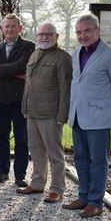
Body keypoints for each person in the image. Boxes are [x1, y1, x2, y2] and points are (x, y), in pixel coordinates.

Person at [62, 13, 111, 218]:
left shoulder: (110, 55)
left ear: (98, 31)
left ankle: (95, 202)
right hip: (78, 116)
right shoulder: (75, 54)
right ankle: (83, 197)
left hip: (99, 119)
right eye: (79, 32)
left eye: (87, 30)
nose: (83, 35)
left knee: (98, 161)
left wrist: (107, 109)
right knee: (80, 158)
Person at [18, 22, 72, 203]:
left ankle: (57, 189)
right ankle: (37, 183)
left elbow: (66, 88)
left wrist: (62, 115)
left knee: (54, 154)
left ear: (56, 37)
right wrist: (25, 108)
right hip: (32, 112)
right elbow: (29, 84)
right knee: (36, 151)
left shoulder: (62, 57)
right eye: (41, 34)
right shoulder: (35, 54)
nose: (44, 37)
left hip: (50, 114)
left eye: (49, 34)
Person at [0, 14, 35, 187]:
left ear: (20, 28)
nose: (10, 29)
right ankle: (2, 171)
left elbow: (23, 65)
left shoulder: (29, 46)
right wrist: (15, 73)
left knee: (22, 137)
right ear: (2, 29)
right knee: (1, 137)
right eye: (7, 27)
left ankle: (20, 174)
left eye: (13, 26)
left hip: (20, 99)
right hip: (0, 99)